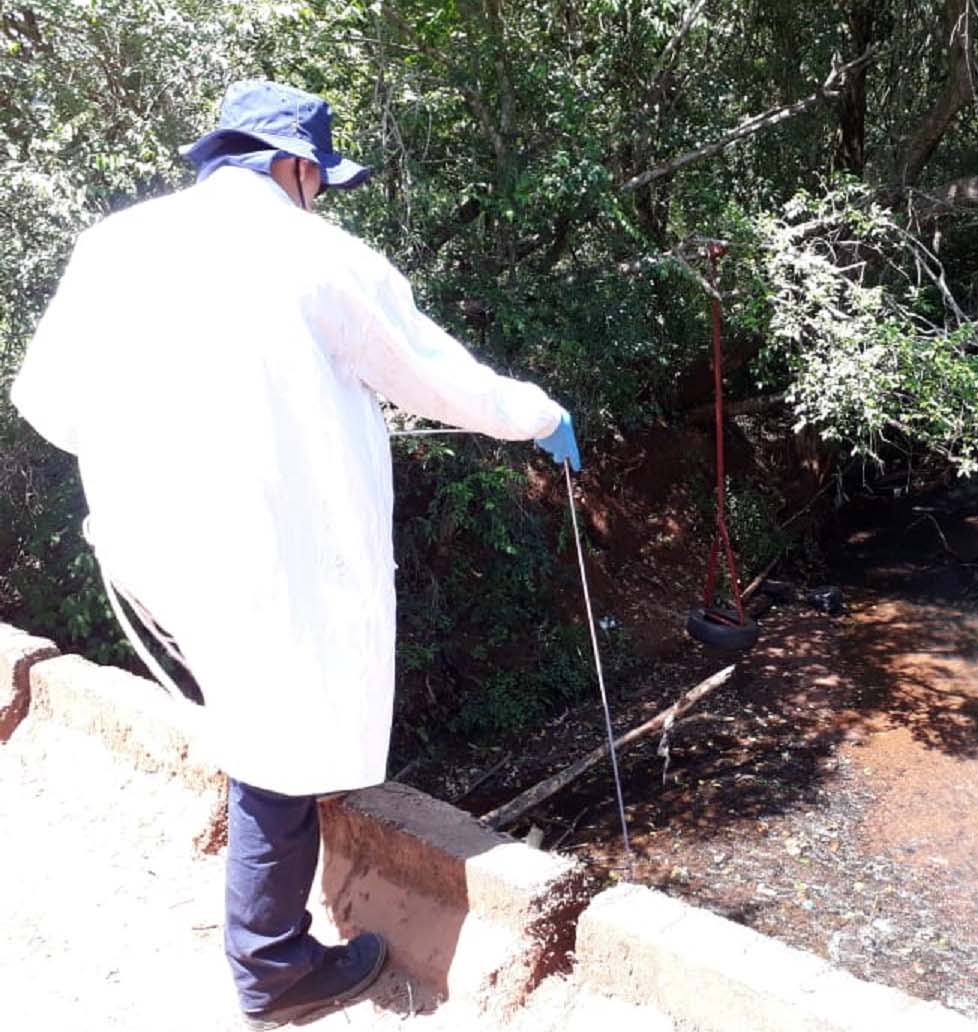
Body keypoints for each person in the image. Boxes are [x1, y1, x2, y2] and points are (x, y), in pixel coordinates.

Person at [9, 80, 581, 1028]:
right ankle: (272, 968)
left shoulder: (114, 245)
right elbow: (433, 374)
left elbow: (48, 399)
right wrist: (536, 414)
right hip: (274, 546)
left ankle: (266, 929)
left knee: (251, 710)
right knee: (282, 739)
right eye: (320, 178)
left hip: (150, 540)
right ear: (296, 167)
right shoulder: (322, 258)